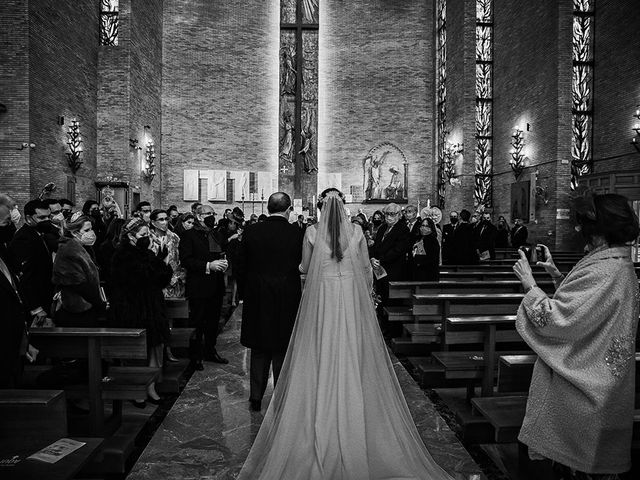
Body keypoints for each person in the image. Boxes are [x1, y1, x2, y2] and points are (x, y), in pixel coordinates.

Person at [238, 188, 453, 480]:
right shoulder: (357, 233)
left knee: (320, 349)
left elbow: (305, 267)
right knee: (351, 347)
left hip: (323, 299)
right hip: (350, 300)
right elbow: (366, 270)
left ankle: (320, 401)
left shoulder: (312, 232)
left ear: (322, 208)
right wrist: (364, 294)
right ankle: (353, 399)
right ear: (344, 208)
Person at [512, 192, 639, 479]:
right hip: (604, 377)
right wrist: (557, 275)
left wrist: (529, 283)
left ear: (600, 230)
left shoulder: (606, 270)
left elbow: (559, 320)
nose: (578, 229)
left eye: (583, 225)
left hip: (587, 385)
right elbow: (589, 307)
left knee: (577, 464)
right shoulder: (616, 263)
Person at [237, 192, 303, 412]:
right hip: (287, 294)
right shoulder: (296, 233)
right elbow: (301, 264)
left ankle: (255, 398)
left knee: (259, 347)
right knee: (282, 347)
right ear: (289, 209)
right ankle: (280, 398)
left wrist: (245, 291)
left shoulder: (252, 231)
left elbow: (241, 264)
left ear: (267, 208)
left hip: (258, 295)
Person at [110, 218, 173, 403]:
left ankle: (151, 386)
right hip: (132, 308)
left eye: (147, 234)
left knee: (155, 348)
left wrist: (162, 262)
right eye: (142, 235)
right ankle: (137, 390)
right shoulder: (122, 255)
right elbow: (139, 279)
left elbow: (161, 278)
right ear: (130, 236)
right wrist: (160, 264)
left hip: (152, 306)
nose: (147, 238)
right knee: (138, 352)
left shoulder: (147, 253)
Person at [179, 205, 229, 370]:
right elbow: (187, 260)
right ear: (199, 216)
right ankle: (195, 356)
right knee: (198, 321)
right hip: (199, 285)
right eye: (209, 214)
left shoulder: (216, 234)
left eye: (213, 214)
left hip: (216, 284)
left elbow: (221, 252)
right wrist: (208, 265)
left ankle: (210, 350)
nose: (212, 217)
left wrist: (223, 263)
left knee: (213, 321)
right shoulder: (189, 235)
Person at [0, 195, 35, 388]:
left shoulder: (4, 253)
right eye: (6, 223)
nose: (10, 228)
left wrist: (23, 340)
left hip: (13, 343)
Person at [51, 215, 104, 327]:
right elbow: (78, 284)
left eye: (91, 229)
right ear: (75, 233)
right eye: (87, 230)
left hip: (85, 304)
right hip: (77, 307)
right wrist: (98, 302)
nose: (91, 233)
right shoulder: (69, 250)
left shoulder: (82, 247)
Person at [9, 199, 55, 326]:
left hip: (45, 295)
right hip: (36, 303)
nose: (46, 220)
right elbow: (25, 277)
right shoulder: (24, 238)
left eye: (48, 216)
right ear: (29, 218)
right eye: (41, 217)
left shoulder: (40, 233)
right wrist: (36, 308)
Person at [370, 203, 412, 310]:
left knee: (392, 304)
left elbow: (398, 250)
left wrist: (381, 260)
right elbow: (376, 246)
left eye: (392, 214)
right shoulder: (382, 228)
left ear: (399, 215)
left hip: (394, 271)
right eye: (387, 214)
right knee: (380, 300)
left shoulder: (403, 229)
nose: (389, 217)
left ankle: (391, 325)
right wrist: (372, 258)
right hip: (379, 271)